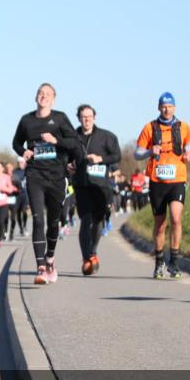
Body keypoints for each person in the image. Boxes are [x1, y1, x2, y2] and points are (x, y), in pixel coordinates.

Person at [12, 82, 81, 284]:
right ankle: (40, 267)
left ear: (54, 99)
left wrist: (55, 141)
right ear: (36, 97)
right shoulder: (27, 120)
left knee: (53, 222)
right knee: (38, 220)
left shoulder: (60, 118)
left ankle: (50, 258)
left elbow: (74, 142)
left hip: (57, 176)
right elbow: (16, 142)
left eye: (48, 94)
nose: (44, 97)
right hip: (35, 175)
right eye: (40, 93)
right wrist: (22, 151)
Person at [135, 92, 190, 279]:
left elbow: (189, 145)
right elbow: (137, 153)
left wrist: (189, 154)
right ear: (159, 108)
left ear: (174, 107)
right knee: (160, 225)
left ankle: (174, 262)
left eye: (169, 106)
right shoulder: (150, 128)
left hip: (177, 179)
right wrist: (149, 152)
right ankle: (159, 262)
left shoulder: (184, 127)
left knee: (176, 219)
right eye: (163, 106)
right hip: (157, 180)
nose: (166, 109)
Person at [70, 104, 121, 275]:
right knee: (85, 220)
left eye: (90, 116)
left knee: (98, 221)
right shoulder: (72, 137)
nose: (87, 120)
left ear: (95, 117)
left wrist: (100, 159)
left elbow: (117, 156)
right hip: (82, 185)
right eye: (83, 117)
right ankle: (87, 258)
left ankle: (93, 251)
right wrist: (68, 166)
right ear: (78, 118)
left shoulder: (106, 137)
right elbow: (64, 157)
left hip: (101, 187)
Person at [11, 156, 29, 239]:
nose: (20, 164)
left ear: (25, 163)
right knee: (18, 213)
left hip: (25, 195)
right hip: (17, 195)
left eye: (22, 162)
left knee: (24, 211)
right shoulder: (14, 171)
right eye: (19, 163)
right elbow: (11, 182)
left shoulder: (28, 171)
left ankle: (24, 226)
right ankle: (21, 228)